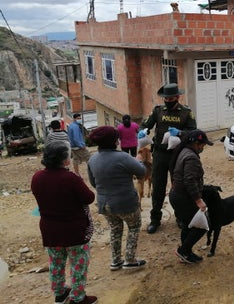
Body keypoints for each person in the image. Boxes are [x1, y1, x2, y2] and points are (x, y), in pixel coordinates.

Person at [31, 141, 97, 304]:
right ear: (65, 160)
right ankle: (78, 298)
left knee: (56, 263)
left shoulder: (37, 177)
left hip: (50, 230)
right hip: (73, 230)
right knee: (78, 265)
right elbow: (89, 198)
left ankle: (60, 294)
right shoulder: (70, 178)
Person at [87, 126, 147, 271]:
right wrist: (139, 160)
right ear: (115, 141)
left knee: (115, 229)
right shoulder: (123, 157)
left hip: (104, 204)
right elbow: (142, 173)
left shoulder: (92, 159)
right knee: (133, 227)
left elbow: (93, 183)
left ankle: (115, 261)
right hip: (125, 201)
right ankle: (130, 260)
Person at [140, 83, 197, 234]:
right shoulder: (158, 110)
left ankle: (180, 216)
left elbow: (193, 132)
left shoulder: (186, 113)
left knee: (178, 186)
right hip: (159, 154)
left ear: (177, 97)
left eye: (170, 98)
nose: (167, 100)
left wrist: (179, 132)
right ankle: (155, 219)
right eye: (165, 98)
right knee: (158, 186)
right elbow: (145, 124)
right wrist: (143, 131)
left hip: (177, 154)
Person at [169, 129, 213, 264]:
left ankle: (185, 254)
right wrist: (198, 200)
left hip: (177, 195)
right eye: (202, 145)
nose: (202, 148)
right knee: (202, 226)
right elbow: (189, 180)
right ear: (195, 143)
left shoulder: (183, 151)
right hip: (184, 198)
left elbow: (177, 173)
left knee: (188, 225)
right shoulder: (191, 157)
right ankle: (183, 250)